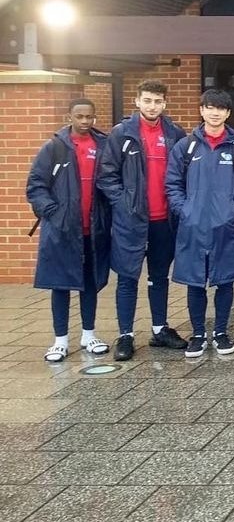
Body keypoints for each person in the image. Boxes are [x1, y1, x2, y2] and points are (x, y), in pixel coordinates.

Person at [97, 80, 188, 361]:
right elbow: (106, 176)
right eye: (147, 100)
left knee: (159, 276)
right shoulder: (121, 134)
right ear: (137, 101)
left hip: (164, 220)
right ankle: (126, 335)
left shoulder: (174, 133)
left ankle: (160, 329)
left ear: (164, 104)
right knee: (127, 277)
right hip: (131, 220)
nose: (152, 106)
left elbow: (183, 174)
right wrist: (124, 203)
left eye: (158, 101)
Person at [165, 89, 234, 358]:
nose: (215, 113)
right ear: (202, 110)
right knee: (195, 282)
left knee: (224, 281)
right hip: (193, 226)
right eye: (210, 107)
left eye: (221, 108)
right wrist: (185, 210)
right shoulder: (186, 146)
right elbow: (172, 184)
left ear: (227, 113)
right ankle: (197, 334)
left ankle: (221, 332)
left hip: (225, 227)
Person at [28, 99, 112, 362]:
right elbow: (35, 185)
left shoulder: (103, 146)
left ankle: (89, 334)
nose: (85, 121)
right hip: (63, 229)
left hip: (93, 229)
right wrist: (52, 211)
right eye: (80, 116)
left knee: (89, 284)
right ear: (70, 117)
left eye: (89, 116)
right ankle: (60, 340)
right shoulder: (54, 147)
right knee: (60, 284)